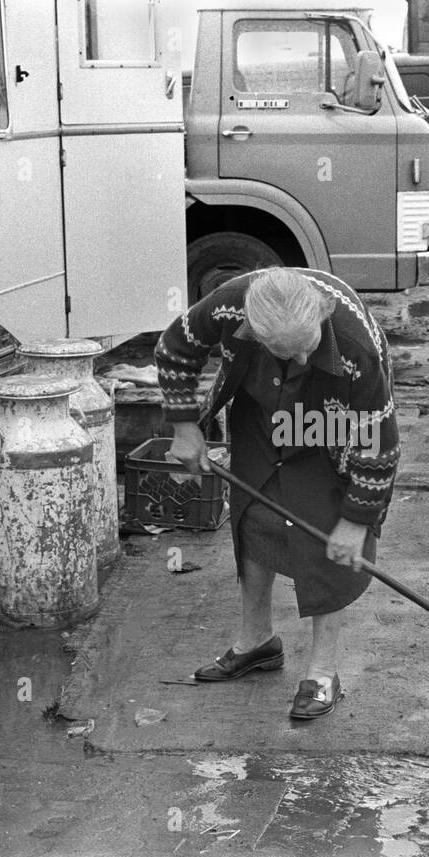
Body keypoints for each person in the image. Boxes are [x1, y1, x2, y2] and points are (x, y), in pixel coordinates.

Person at [156, 267, 401, 720]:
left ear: (322, 314)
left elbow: (378, 440)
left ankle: (324, 671)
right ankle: (257, 642)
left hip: (333, 418)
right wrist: (185, 426)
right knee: (252, 514)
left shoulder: (356, 344)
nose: (301, 359)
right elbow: (175, 347)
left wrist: (356, 521)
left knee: (326, 527)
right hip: (260, 402)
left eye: (306, 346)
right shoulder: (228, 305)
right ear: (251, 329)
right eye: (286, 350)